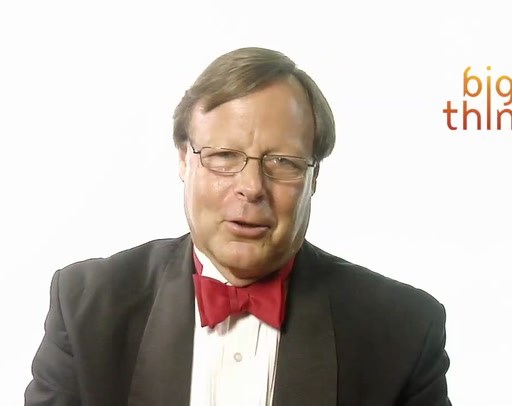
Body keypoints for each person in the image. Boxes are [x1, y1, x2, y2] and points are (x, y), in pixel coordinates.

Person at [25, 47, 451, 406]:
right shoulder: (85, 308)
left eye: (282, 162)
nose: (251, 187)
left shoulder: (404, 331)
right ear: (183, 159)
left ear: (314, 178)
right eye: (224, 156)